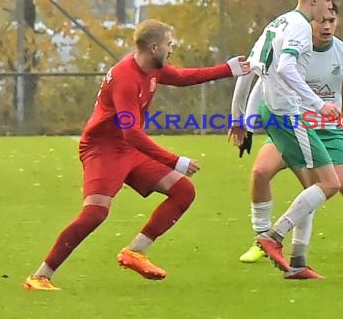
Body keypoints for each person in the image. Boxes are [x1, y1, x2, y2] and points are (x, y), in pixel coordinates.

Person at [23, 19, 250, 291]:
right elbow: (131, 132)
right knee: (95, 213)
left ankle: (135, 251)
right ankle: (39, 276)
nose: (171, 49)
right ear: (154, 47)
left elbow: (181, 78)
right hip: (103, 149)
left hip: (128, 148)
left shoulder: (151, 69)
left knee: (183, 191)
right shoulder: (126, 78)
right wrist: (174, 160)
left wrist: (227, 69)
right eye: (169, 44)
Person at [232, 2, 343, 273]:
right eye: (321, 21)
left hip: (327, 131)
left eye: (331, 20)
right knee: (260, 172)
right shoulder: (294, 46)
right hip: (292, 124)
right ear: (309, 23)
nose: (326, 26)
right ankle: (266, 241)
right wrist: (246, 122)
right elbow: (262, 80)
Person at [229, 0, 342, 279]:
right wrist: (319, 105)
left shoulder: (277, 23)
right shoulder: (301, 28)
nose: (329, 10)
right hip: (289, 116)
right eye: (328, 2)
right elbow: (286, 67)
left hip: (271, 112)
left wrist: (238, 118)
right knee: (330, 184)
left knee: (313, 186)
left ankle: (297, 263)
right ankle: (271, 237)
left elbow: (245, 70)